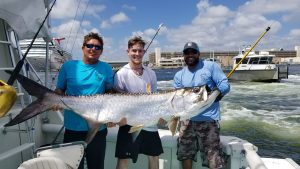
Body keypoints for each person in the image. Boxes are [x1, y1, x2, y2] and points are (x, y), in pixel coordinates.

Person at [55, 32, 114, 169]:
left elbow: (111, 92)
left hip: (98, 130)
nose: (93, 49)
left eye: (97, 47)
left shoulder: (106, 68)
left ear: (101, 51)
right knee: (73, 167)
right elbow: (59, 90)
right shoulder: (68, 66)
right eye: (89, 45)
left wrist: (112, 113)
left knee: (97, 166)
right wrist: (54, 101)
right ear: (83, 48)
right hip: (72, 128)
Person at [173, 42, 230, 169]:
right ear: (184, 56)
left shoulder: (211, 66)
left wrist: (216, 96)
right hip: (186, 120)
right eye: (187, 53)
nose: (190, 55)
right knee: (185, 154)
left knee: (213, 157)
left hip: (208, 120)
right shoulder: (179, 75)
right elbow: (177, 100)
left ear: (198, 54)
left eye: (193, 52)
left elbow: (225, 85)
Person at [113, 36, 164, 169]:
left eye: (140, 51)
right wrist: (118, 118)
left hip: (149, 122)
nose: (137, 54)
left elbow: (154, 99)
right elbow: (117, 101)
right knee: (123, 159)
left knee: (154, 156)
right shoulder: (121, 74)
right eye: (134, 50)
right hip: (128, 123)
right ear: (128, 51)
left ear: (144, 52)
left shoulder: (151, 73)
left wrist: (161, 115)